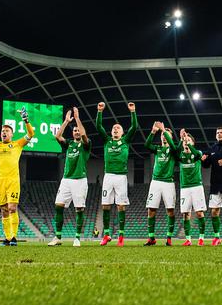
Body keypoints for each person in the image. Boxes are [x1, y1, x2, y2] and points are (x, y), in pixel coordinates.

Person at [0, 106, 35, 247]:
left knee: (12, 208)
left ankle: (14, 237)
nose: (4, 132)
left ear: (12, 134)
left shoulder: (17, 145)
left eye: (7, 131)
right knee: (3, 210)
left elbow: (31, 134)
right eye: (2, 131)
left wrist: (26, 120)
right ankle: (8, 238)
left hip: (13, 181)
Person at [96, 102, 138, 247]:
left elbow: (134, 127)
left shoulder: (125, 141)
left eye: (118, 128)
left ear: (122, 133)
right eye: (113, 128)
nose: (115, 129)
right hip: (108, 176)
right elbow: (99, 127)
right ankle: (106, 235)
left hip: (121, 177)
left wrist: (132, 112)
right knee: (105, 205)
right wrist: (100, 112)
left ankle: (121, 236)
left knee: (121, 206)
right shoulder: (107, 141)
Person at [48, 107, 91, 247]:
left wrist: (77, 119)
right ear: (72, 133)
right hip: (66, 179)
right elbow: (57, 136)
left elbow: (84, 135)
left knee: (79, 209)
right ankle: (58, 237)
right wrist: (66, 121)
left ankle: (77, 238)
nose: (77, 132)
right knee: (59, 206)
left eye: (78, 130)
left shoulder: (86, 144)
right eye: (75, 131)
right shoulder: (69, 144)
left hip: (80, 180)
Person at [143, 122, 178, 246]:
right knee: (151, 209)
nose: (163, 136)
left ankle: (169, 237)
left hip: (168, 183)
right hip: (155, 182)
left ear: (170, 137)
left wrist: (163, 130)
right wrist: (153, 132)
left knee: (170, 211)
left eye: (166, 135)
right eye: (162, 134)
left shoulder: (174, 150)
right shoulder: (157, 149)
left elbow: (174, 147)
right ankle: (151, 237)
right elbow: (147, 145)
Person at [177, 130, 207, 246]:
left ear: (193, 143)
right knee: (185, 213)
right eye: (185, 141)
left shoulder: (197, 153)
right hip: (184, 187)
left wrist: (188, 143)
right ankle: (188, 239)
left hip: (196, 186)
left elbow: (198, 155)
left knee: (199, 213)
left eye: (188, 140)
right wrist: (181, 140)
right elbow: (176, 151)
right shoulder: (180, 155)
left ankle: (201, 238)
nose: (186, 142)